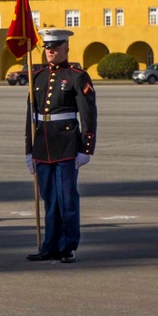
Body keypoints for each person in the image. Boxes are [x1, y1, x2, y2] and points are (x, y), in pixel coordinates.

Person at [24, 29, 97, 264]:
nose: (50, 51)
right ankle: (49, 245)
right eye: (47, 47)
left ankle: (68, 246)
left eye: (55, 46)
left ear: (66, 47)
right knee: (49, 199)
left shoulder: (77, 76)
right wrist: (28, 148)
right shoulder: (38, 75)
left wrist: (86, 148)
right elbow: (30, 116)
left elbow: (88, 114)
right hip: (43, 144)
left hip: (66, 145)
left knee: (66, 198)